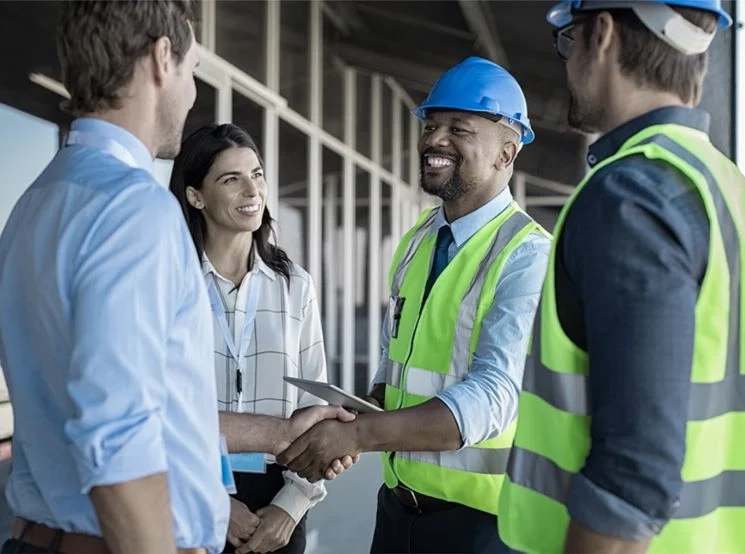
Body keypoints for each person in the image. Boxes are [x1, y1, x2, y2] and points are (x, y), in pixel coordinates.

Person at [0, 2, 351, 554]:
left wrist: (280, 435)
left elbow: (157, 408)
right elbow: (119, 439)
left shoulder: (37, 202)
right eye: (192, 70)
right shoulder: (134, 210)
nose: (190, 92)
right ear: (163, 59)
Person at [498, 1, 745, 554]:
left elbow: (631, 480)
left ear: (603, 33)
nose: (567, 65)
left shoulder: (631, 195)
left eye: (569, 41)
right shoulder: (734, 191)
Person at [276, 56, 553, 554]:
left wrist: (361, 436)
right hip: (398, 510)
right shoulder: (420, 239)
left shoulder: (527, 256)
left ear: (506, 152)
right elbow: (395, 361)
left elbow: (493, 397)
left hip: (483, 529)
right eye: (431, 124)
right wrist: (355, 415)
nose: (434, 139)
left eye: (458, 128)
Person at [169, 123, 337, 554]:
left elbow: (314, 405)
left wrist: (292, 505)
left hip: (277, 497)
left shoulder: (294, 284)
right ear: (195, 196)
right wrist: (212, 501)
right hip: (188, 492)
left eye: (257, 174)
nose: (252, 190)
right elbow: (159, 408)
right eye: (232, 179)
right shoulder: (171, 283)